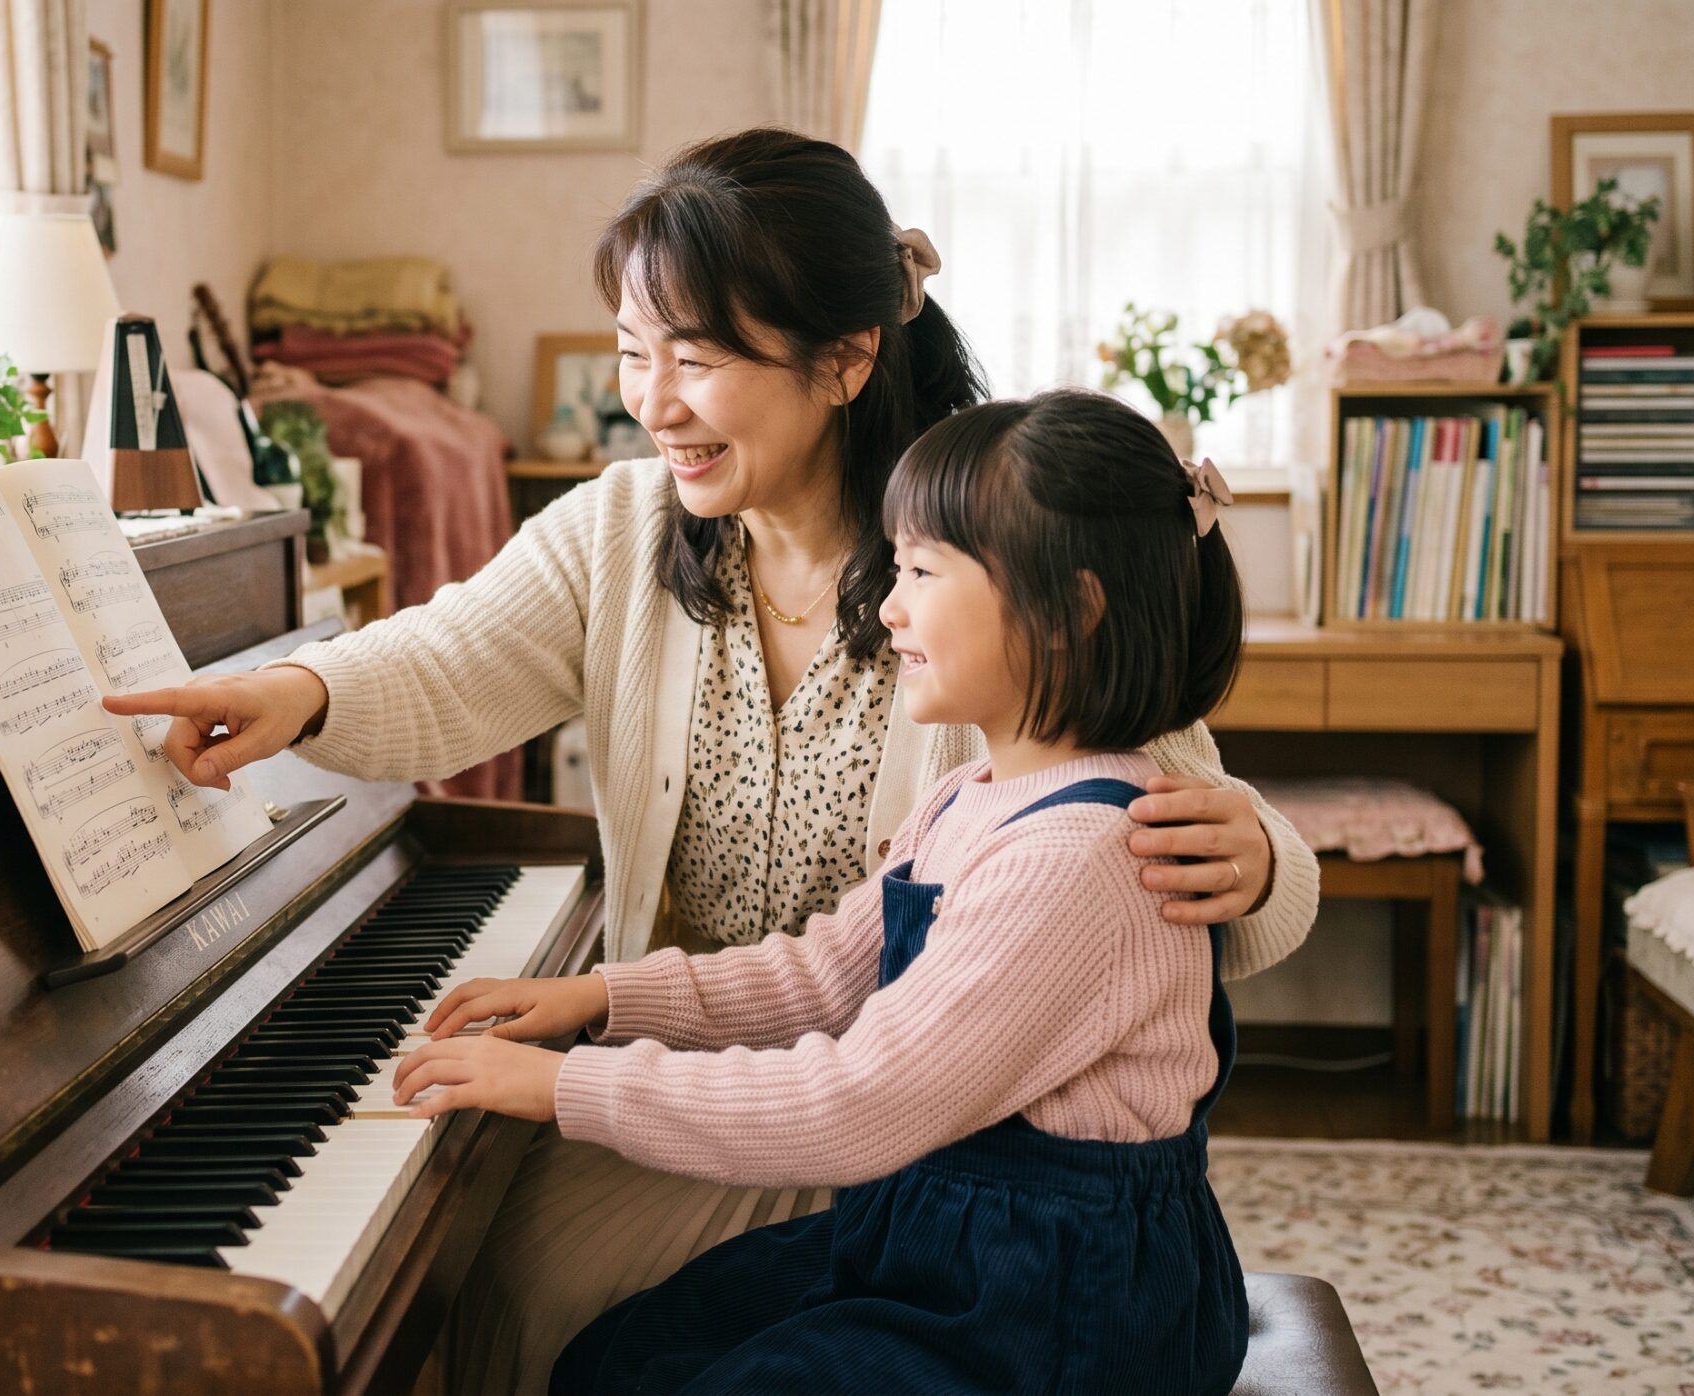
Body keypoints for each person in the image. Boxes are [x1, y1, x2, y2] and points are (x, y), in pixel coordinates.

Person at [103, 128, 1316, 1392]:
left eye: (695, 356)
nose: (652, 400)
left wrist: (1256, 856)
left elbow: (1161, 795)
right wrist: (296, 690)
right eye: (635, 352)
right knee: (480, 1243)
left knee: (522, 1281)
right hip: (731, 1064)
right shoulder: (629, 527)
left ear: (843, 360)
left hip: (921, 1142)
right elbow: (446, 657)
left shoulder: (987, 553)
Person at [396, 389, 1256, 1394]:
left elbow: (858, 1102)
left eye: (924, 573)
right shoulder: (970, 798)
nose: (888, 606)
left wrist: (563, 1086)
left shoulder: (1077, 858)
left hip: (1060, 1307)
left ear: (1069, 612)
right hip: (940, 1238)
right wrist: (607, 997)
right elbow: (823, 975)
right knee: (625, 1353)